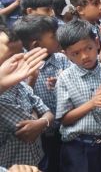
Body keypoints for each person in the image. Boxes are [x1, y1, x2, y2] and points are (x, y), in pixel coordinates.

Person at [55, 19, 101, 172]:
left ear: (97, 43)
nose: (84, 56)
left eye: (88, 48)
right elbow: (64, 118)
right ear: (67, 55)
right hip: (78, 147)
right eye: (76, 53)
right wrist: (93, 103)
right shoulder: (65, 78)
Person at [12, 15, 71, 172]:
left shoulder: (61, 59)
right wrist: (31, 79)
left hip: (64, 126)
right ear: (36, 45)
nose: (58, 38)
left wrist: (62, 82)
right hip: (39, 134)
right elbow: (23, 102)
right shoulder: (20, 68)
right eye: (53, 36)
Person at [0, 22, 54, 169]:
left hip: (40, 159)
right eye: (11, 57)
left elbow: (48, 113)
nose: (20, 61)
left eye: (21, 54)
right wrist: (40, 118)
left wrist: (41, 122)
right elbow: (28, 132)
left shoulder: (21, 84)